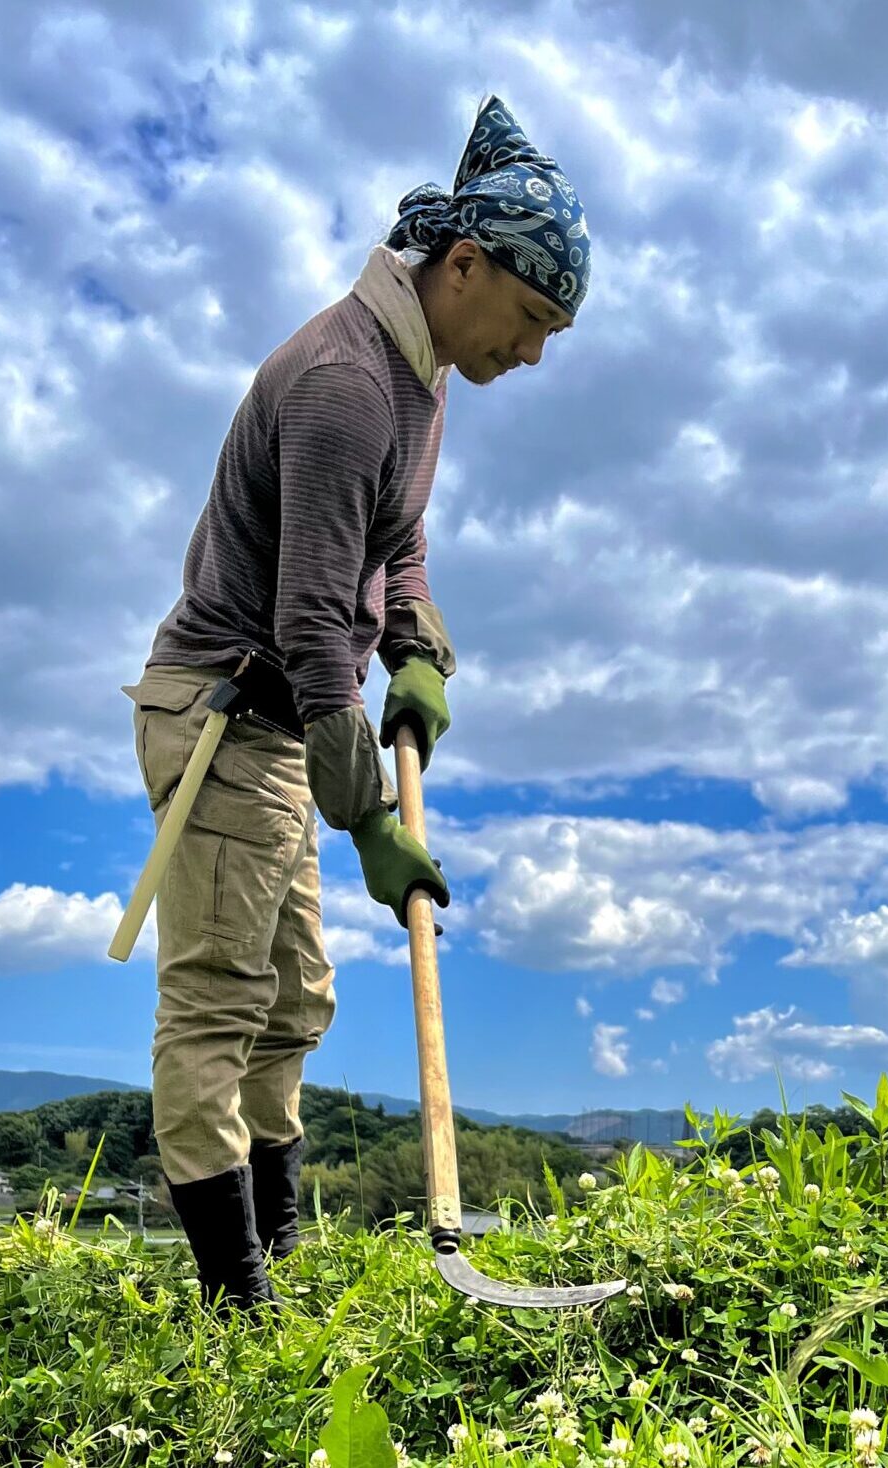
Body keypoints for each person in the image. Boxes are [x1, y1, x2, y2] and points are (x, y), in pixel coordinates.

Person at [120, 95, 588, 1312]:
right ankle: (239, 1304)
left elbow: (399, 532)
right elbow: (313, 634)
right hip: (228, 712)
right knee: (220, 1003)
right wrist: (373, 818)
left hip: (281, 726)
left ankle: (277, 1253)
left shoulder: (421, 374)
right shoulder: (346, 385)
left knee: (295, 999)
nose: (532, 355)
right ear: (463, 265)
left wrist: (419, 637)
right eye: (532, 320)